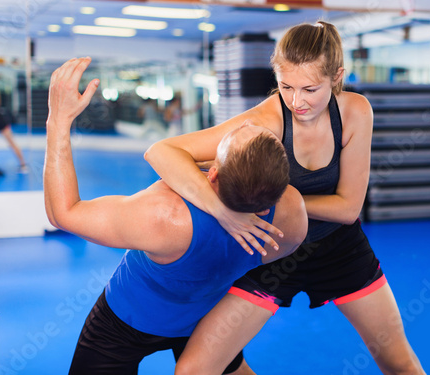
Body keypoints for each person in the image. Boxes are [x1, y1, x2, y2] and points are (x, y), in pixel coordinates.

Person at [145, 22, 426, 374]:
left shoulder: (355, 112)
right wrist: (223, 209)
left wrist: (278, 203)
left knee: (400, 363)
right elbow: (161, 151)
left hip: (341, 249)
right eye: (286, 87)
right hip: (270, 249)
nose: (297, 101)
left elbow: (348, 207)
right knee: (195, 370)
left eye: (310, 89)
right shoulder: (265, 120)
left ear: (337, 76)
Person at [44, 57, 308, 374]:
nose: (247, 123)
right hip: (205, 319)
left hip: (126, 317)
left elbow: (64, 213)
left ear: (212, 174)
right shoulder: (292, 215)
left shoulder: (164, 215)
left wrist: (58, 121)